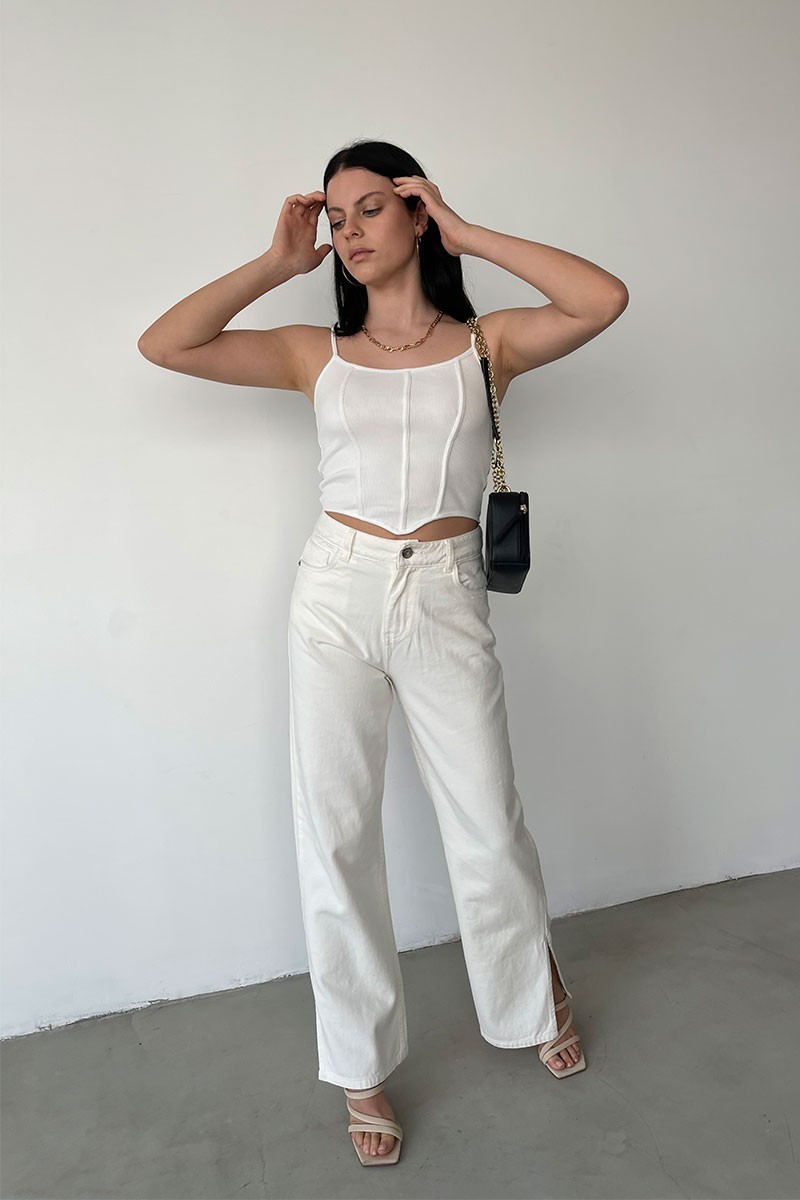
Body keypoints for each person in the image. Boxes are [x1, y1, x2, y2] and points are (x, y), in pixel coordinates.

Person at [138, 138, 628, 1167]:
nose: (349, 230)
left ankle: (529, 995)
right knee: (337, 835)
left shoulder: (487, 343)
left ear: (415, 214)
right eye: (336, 217)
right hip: (335, 596)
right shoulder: (310, 353)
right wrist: (276, 263)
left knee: (487, 824)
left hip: (446, 594)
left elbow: (602, 298)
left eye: (370, 207)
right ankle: (359, 1066)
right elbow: (167, 345)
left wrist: (468, 232)